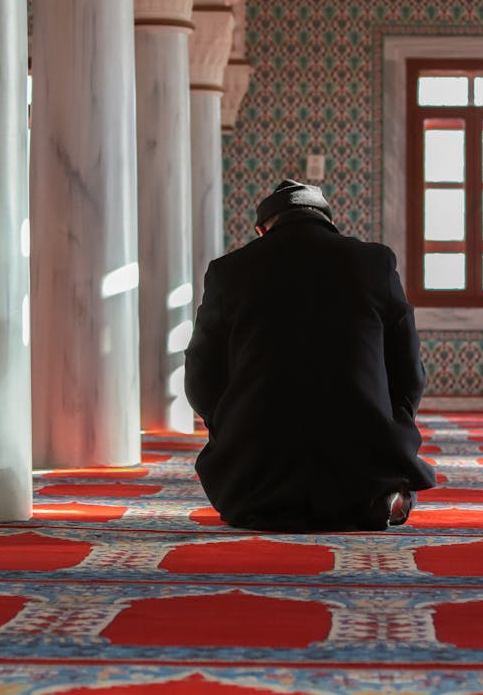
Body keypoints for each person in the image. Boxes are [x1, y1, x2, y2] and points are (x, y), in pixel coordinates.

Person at [183, 179, 435, 531]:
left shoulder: (230, 271)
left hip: (253, 487)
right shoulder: (374, 263)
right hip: (362, 485)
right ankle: (388, 494)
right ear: (329, 222)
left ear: (262, 230)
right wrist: (391, 431)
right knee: (381, 479)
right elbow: (409, 373)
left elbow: (199, 379)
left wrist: (229, 427)